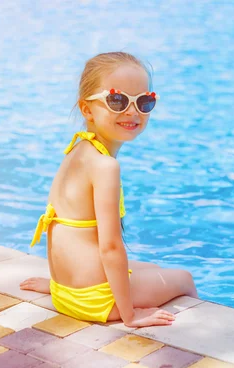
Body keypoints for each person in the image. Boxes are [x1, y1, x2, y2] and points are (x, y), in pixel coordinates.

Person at [21, 52, 197, 328]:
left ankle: (68, 287)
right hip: (95, 300)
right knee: (184, 278)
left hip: (64, 291)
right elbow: (111, 247)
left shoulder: (79, 148)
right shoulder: (105, 167)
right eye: (117, 100)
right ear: (87, 109)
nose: (132, 112)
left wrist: (56, 285)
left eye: (144, 101)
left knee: (154, 270)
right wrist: (130, 314)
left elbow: (66, 229)